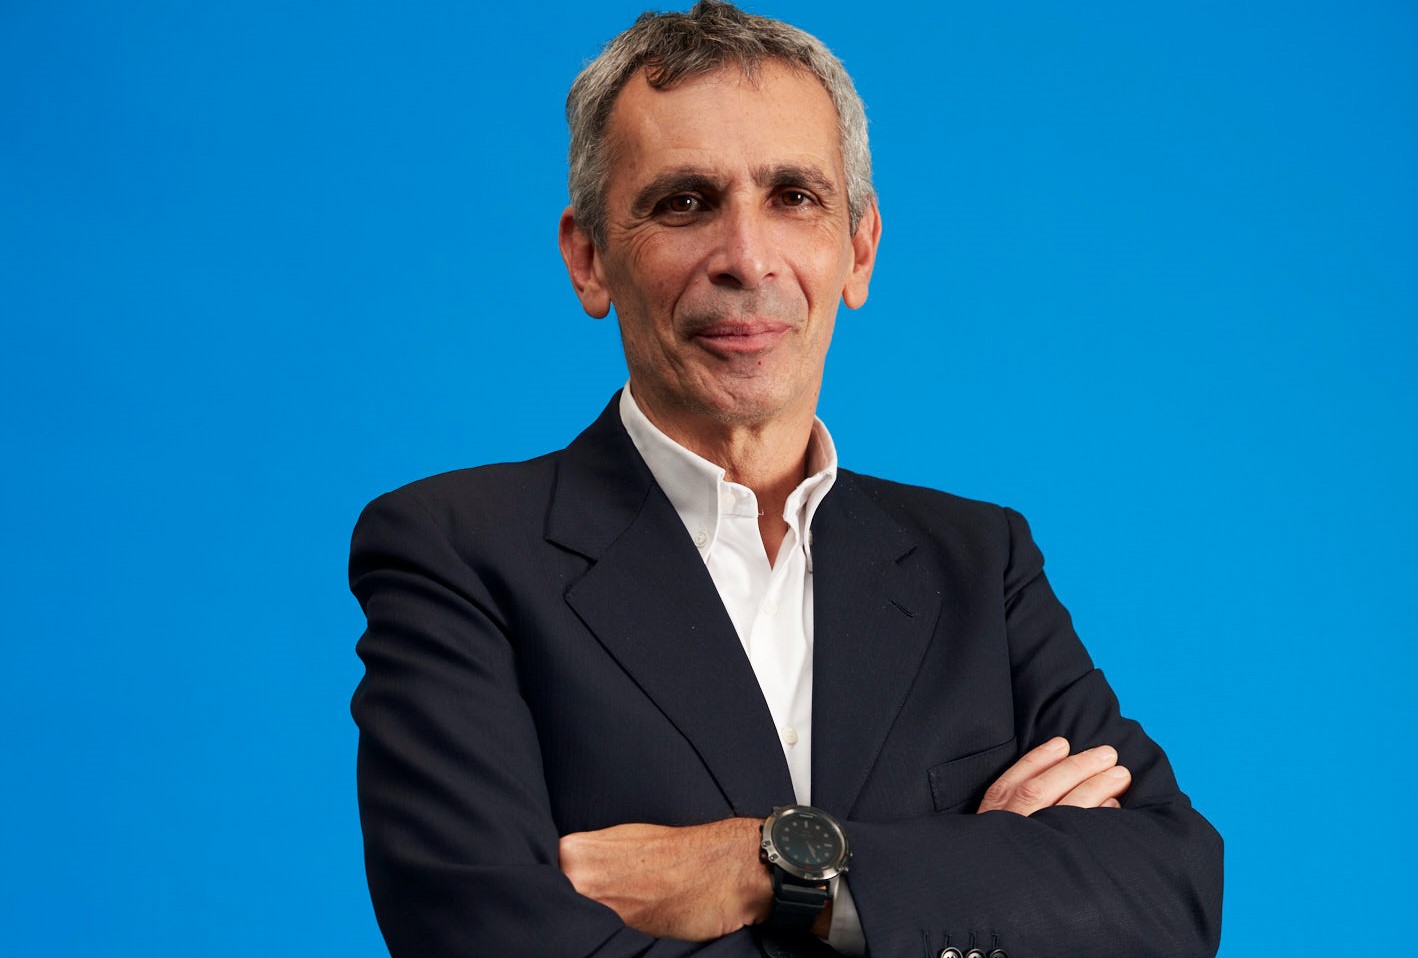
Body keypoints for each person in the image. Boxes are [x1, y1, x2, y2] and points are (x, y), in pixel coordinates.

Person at [348, 3, 1224, 956]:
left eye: (794, 197)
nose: (747, 258)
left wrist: (764, 864)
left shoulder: (980, 561)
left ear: (859, 248)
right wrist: (969, 873)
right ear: (589, 258)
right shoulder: (457, 554)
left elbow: (1168, 895)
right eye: (684, 203)